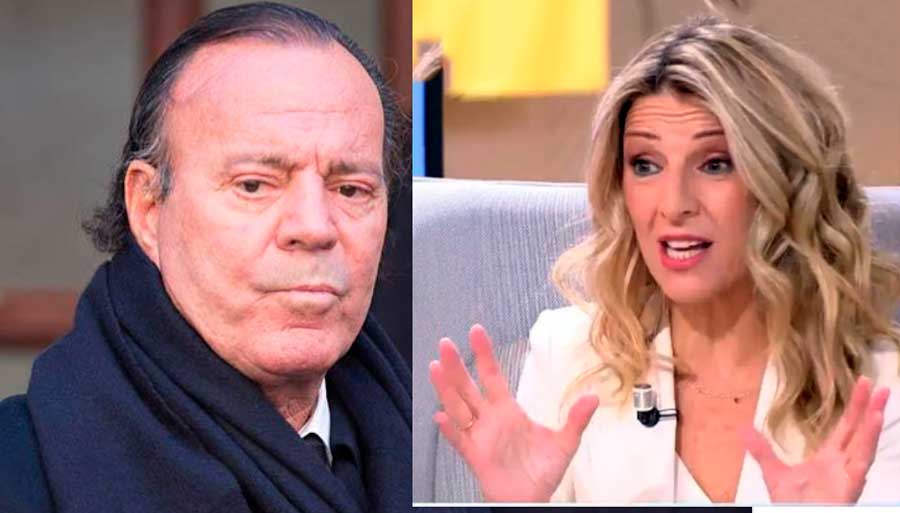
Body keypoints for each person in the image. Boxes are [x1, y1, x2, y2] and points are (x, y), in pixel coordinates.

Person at [429, 16, 900, 504]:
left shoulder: (878, 389)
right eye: (645, 165)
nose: (673, 205)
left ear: (784, 182)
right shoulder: (570, 358)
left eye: (715, 164)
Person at [0, 3, 410, 512]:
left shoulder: (443, 450)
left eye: (351, 189)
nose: (313, 227)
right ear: (148, 208)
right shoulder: (20, 472)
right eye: (254, 185)